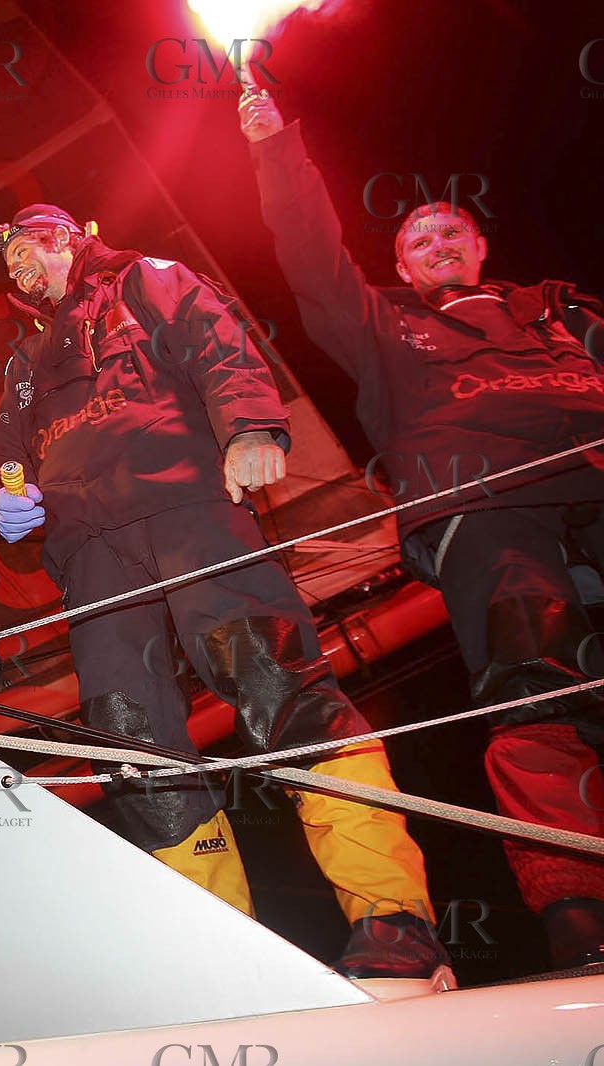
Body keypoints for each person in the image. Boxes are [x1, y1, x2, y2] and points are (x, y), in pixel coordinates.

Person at [0, 202, 451, 982]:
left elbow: (216, 342)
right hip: (94, 558)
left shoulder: (147, 281)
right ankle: (226, 960)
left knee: (275, 680)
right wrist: (12, 505)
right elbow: (9, 456)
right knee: (128, 744)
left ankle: (393, 919)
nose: (16, 269)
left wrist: (250, 427)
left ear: (64, 237)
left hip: (191, 506)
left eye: (25, 248)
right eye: (7, 265)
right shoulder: (25, 365)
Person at [241, 91, 604, 968]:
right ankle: (582, 916)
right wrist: (273, 147)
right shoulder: (381, 326)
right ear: (401, 269)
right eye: (415, 240)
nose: (437, 245)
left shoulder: (556, 309)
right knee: (535, 685)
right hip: (481, 507)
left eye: (451, 232)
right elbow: (309, 252)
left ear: (481, 247)